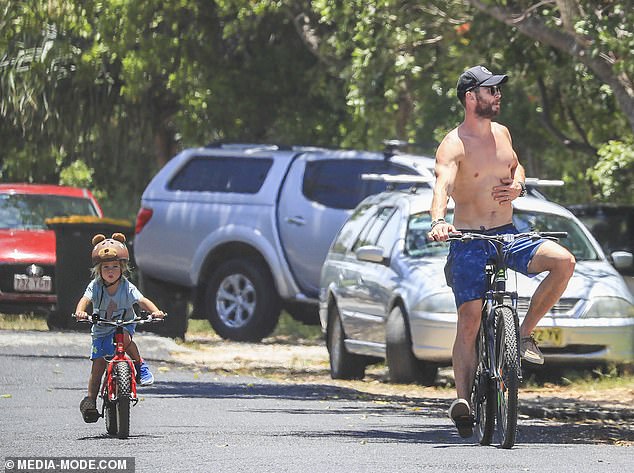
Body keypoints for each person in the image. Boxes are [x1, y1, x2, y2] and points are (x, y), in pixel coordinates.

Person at [428, 65, 575, 438]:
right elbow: (442, 186)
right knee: (470, 321)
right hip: (469, 240)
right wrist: (438, 222)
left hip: (507, 234)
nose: (498, 95)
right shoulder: (453, 144)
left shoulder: (502, 132)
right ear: (470, 98)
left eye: (497, 90)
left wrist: (519, 187)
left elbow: (515, 165)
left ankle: (523, 335)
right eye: (490, 90)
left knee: (563, 262)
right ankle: (463, 400)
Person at [76, 232, 165, 423]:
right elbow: (85, 300)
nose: (110, 271)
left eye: (115, 267)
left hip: (123, 325)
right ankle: (90, 400)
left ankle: (140, 365)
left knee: (125, 338)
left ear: (122, 268)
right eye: (106, 267)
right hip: (101, 328)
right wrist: (80, 312)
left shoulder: (127, 287)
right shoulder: (96, 286)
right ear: (99, 270)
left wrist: (155, 311)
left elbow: (142, 301)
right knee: (98, 365)